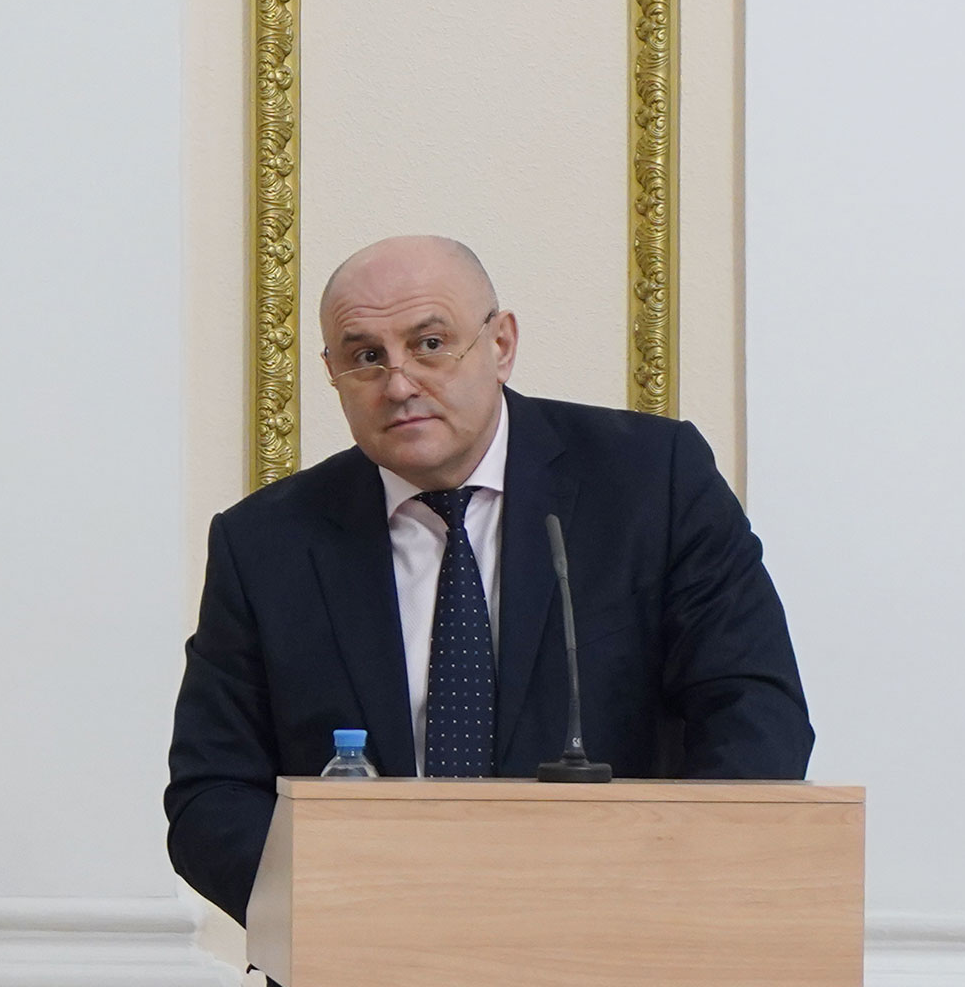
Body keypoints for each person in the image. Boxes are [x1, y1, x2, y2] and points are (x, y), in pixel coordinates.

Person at [165, 236, 813, 927]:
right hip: (369, 946)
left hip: (621, 934)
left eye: (431, 344)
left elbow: (755, 716)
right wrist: (351, 913)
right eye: (366, 357)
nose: (399, 384)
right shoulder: (265, 543)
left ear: (501, 344)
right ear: (332, 373)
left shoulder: (652, 481)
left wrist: (649, 900)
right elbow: (213, 794)